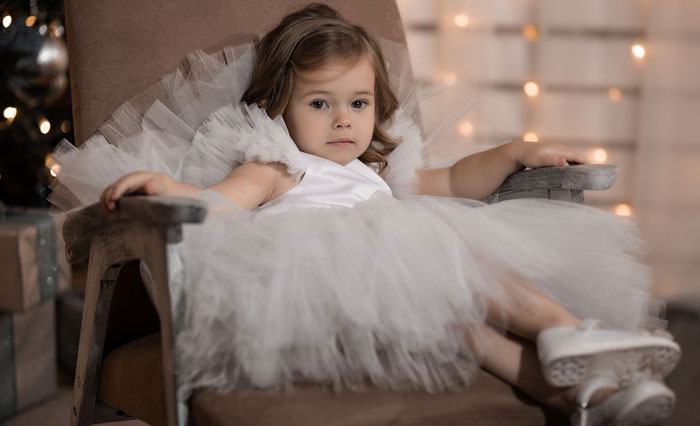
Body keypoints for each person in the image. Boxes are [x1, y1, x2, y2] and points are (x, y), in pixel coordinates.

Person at [51, 4, 680, 426]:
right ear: (280, 108)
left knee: (472, 320)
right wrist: (167, 187)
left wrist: (516, 152)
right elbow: (216, 206)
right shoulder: (275, 166)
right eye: (320, 103)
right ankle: (576, 334)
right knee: (466, 271)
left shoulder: (377, 170)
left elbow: (457, 179)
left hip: (408, 296)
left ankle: (591, 391)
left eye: (358, 102)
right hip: (331, 295)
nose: (344, 119)